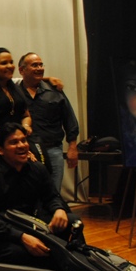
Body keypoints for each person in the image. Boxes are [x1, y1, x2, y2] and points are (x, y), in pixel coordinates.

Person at [0, 123, 77, 268]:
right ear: (0, 150)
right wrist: (21, 237)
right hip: (5, 231)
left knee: (72, 222)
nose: (22, 145)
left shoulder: (37, 169)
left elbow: (51, 196)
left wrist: (58, 209)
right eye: (14, 142)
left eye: (23, 140)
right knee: (18, 253)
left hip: (31, 224)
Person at [17, 52, 80, 191]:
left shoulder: (55, 90)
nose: (39, 68)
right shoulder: (15, 92)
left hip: (53, 150)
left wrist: (72, 147)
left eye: (41, 65)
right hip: (26, 152)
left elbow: (69, 119)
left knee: (53, 192)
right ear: (22, 70)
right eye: (34, 65)